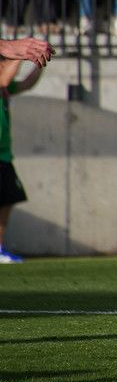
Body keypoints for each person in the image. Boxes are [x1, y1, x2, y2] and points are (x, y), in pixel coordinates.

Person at [0, 47, 43, 263]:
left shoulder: (5, 89)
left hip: (4, 156)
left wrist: (39, 64)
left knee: (8, 199)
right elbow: (5, 79)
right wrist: (21, 54)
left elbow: (27, 83)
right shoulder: (2, 83)